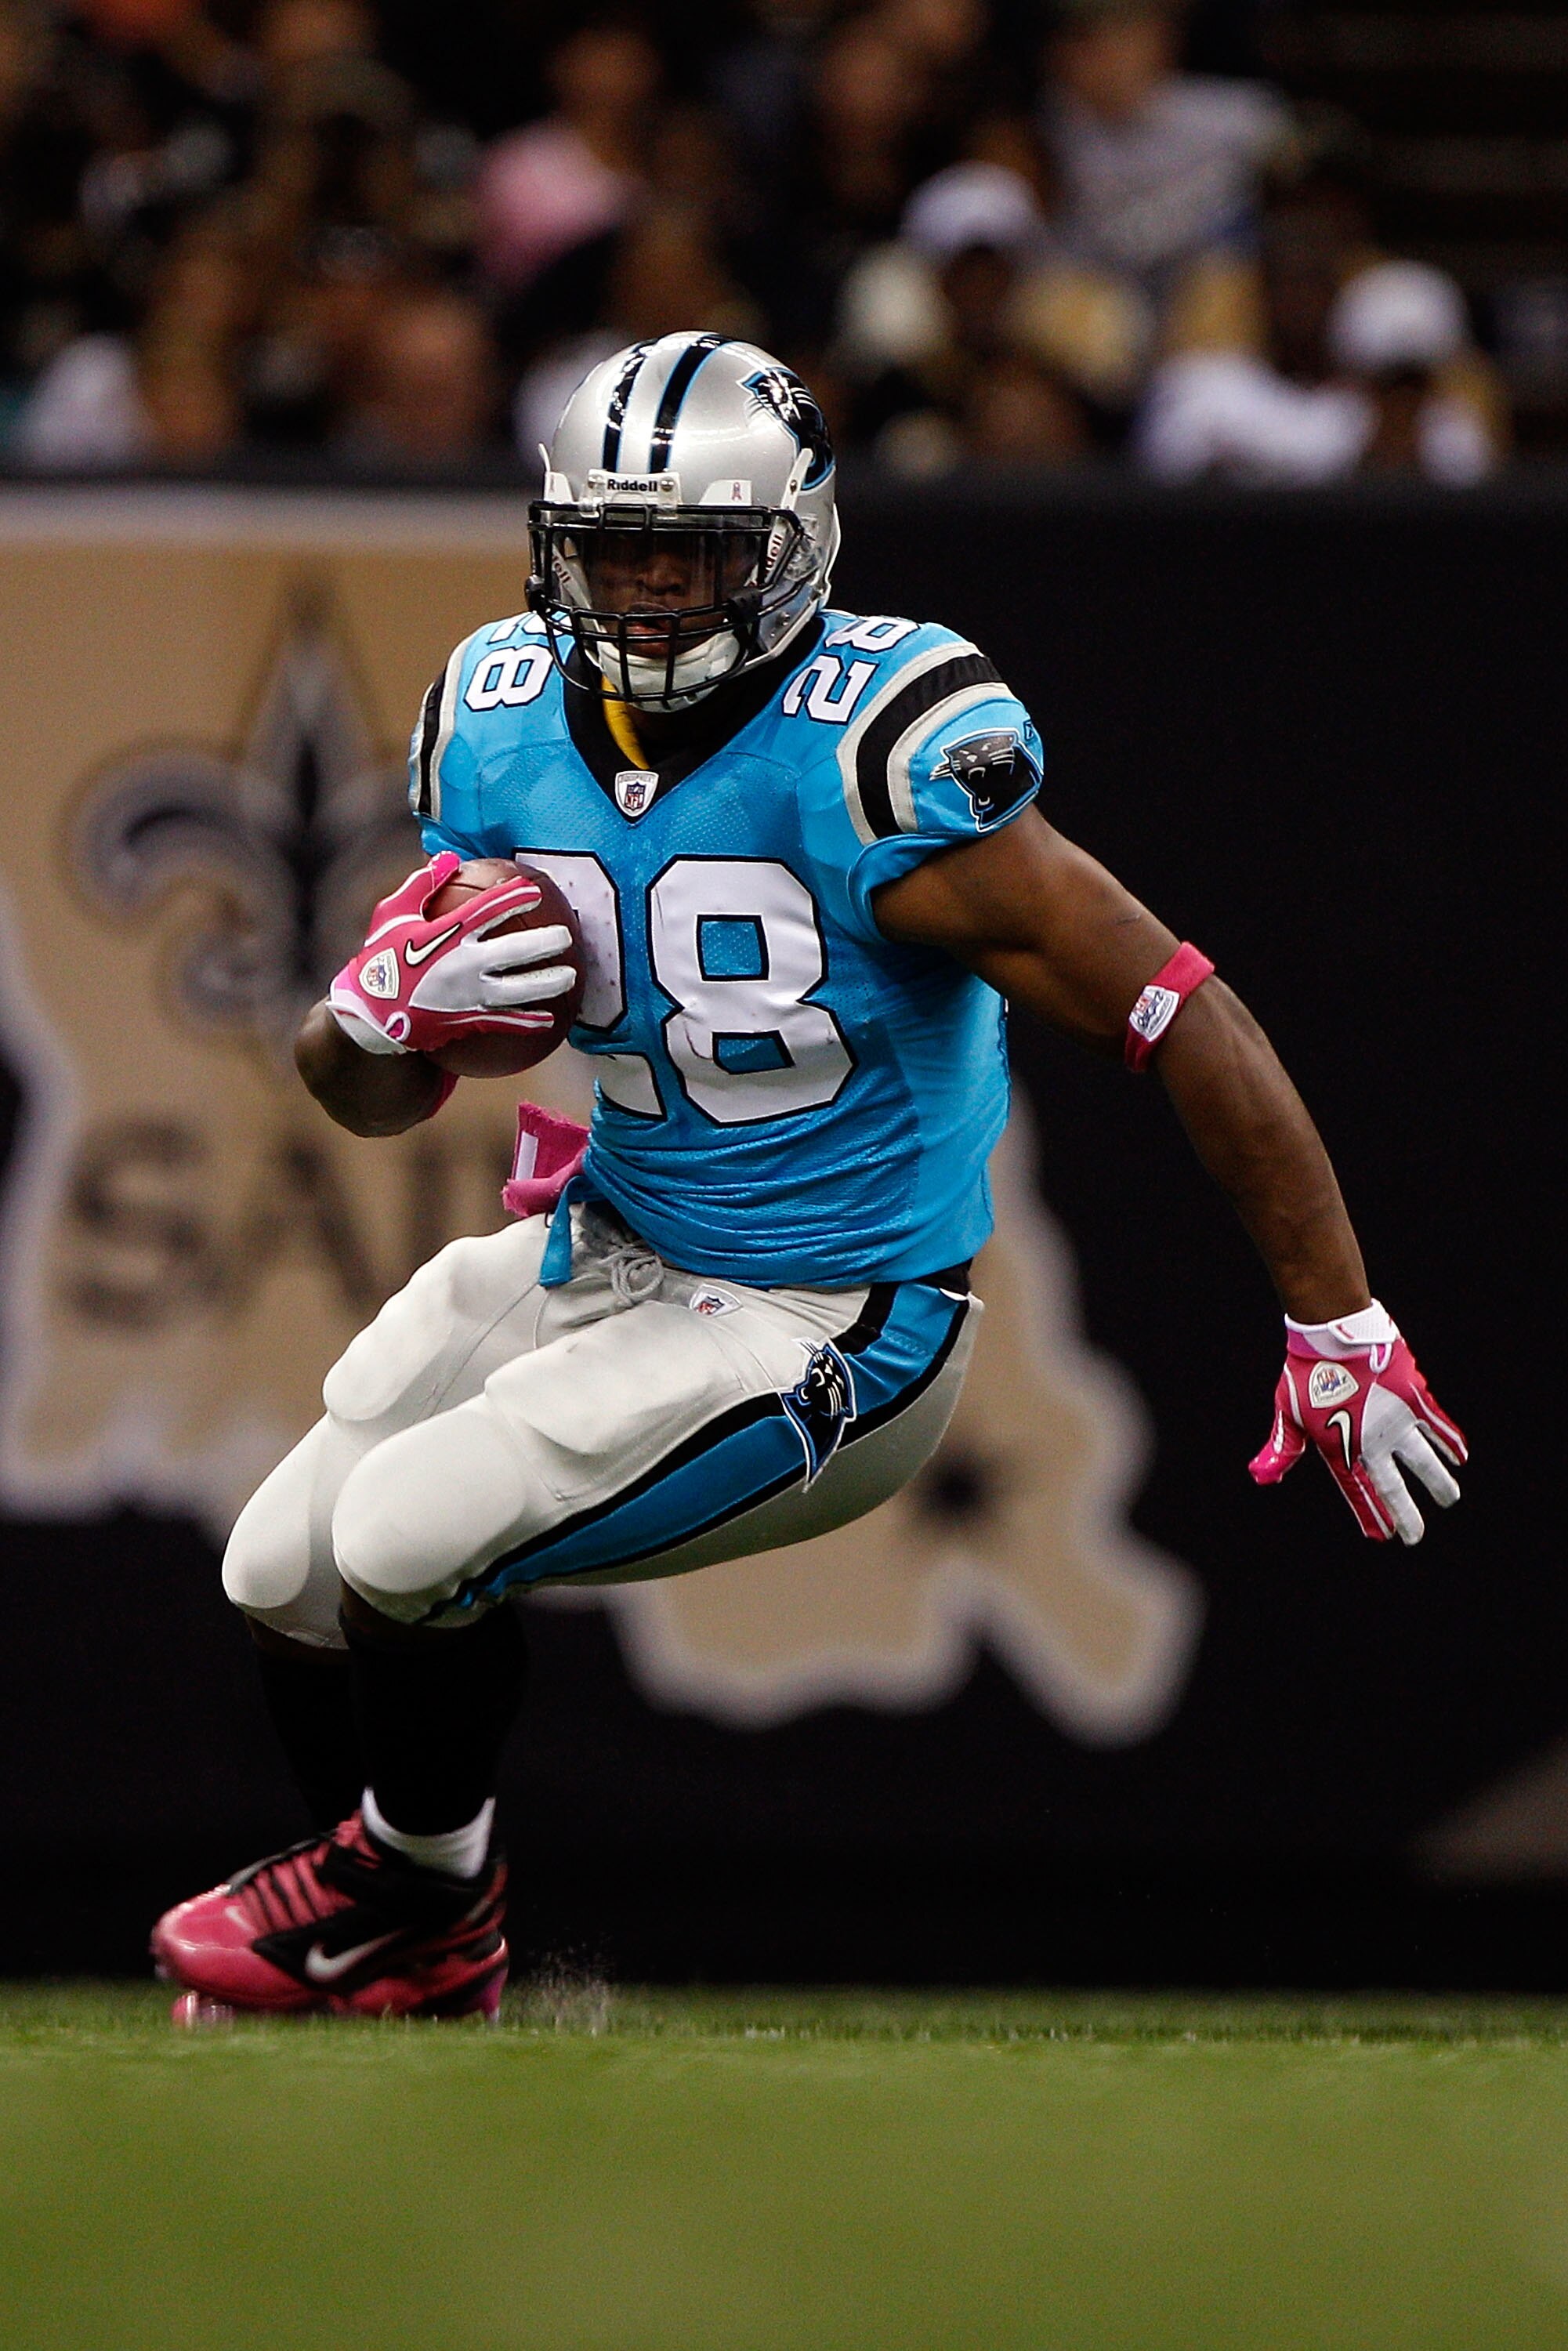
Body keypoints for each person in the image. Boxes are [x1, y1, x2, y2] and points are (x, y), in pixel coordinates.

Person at [151, 332, 1468, 2021]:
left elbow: (1172, 1007)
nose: (644, 598)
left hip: (832, 1317)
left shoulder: (878, 749)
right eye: (609, 552)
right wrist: (361, 1018)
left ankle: (411, 1899)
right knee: (281, 1568)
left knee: (407, 1535)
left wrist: (1334, 1315)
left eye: (688, 555)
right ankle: (424, 1920)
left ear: (790, 547)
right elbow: (372, 1099)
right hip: (611, 1255)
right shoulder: (490, 724)